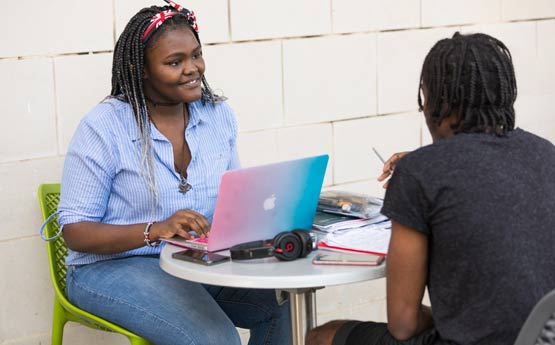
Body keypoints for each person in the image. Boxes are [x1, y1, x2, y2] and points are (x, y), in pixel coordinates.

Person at [56, 2, 291, 344]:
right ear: (142, 70)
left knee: (282, 301)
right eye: (174, 61)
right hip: (111, 268)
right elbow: (75, 232)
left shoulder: (217, 115)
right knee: (216, 339)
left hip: (193, 260)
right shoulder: (103, 126)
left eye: (196, 55)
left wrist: (267, 215)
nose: (192, 69)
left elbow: (232, 198)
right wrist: (157, 230)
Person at [307, 32, 555, 345]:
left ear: (439, 103)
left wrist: (454, 315)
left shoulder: (420, 173)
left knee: (322, 336)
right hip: (539, 338)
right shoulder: (545, 154)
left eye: (424, 99)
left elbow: (403, 323)